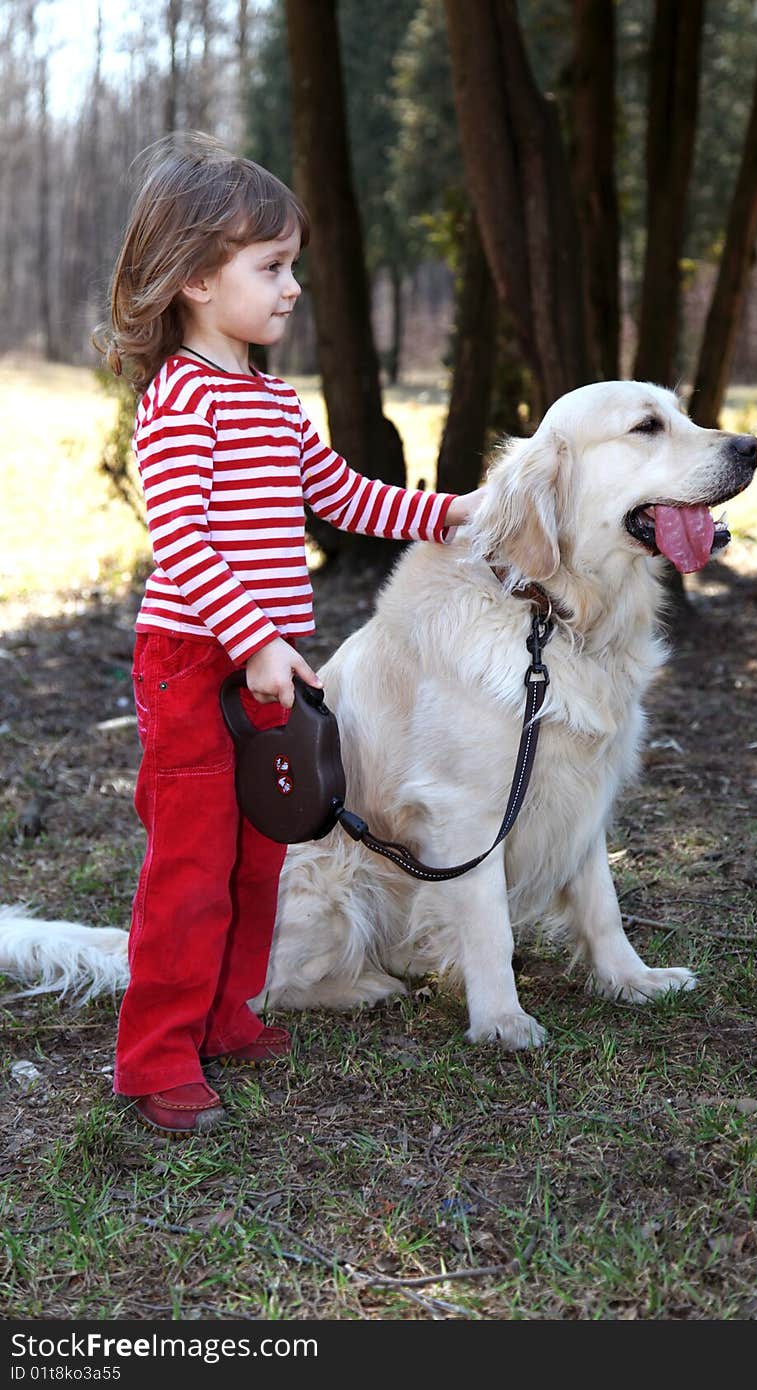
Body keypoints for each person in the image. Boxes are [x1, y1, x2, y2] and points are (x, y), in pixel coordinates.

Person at [93, 132, 484, 1135]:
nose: (293, 287)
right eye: (270, 267)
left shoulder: (271, 397)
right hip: (195, 665)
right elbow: (179, 539)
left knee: (260, 852)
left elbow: (340, 493)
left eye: (294, 265)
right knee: (189, 863)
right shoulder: (181, 401)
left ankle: (227, 1015)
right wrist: (256, 642)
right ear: (192, 280)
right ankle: (154, 1057)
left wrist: (445, 514)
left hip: (264, 671)